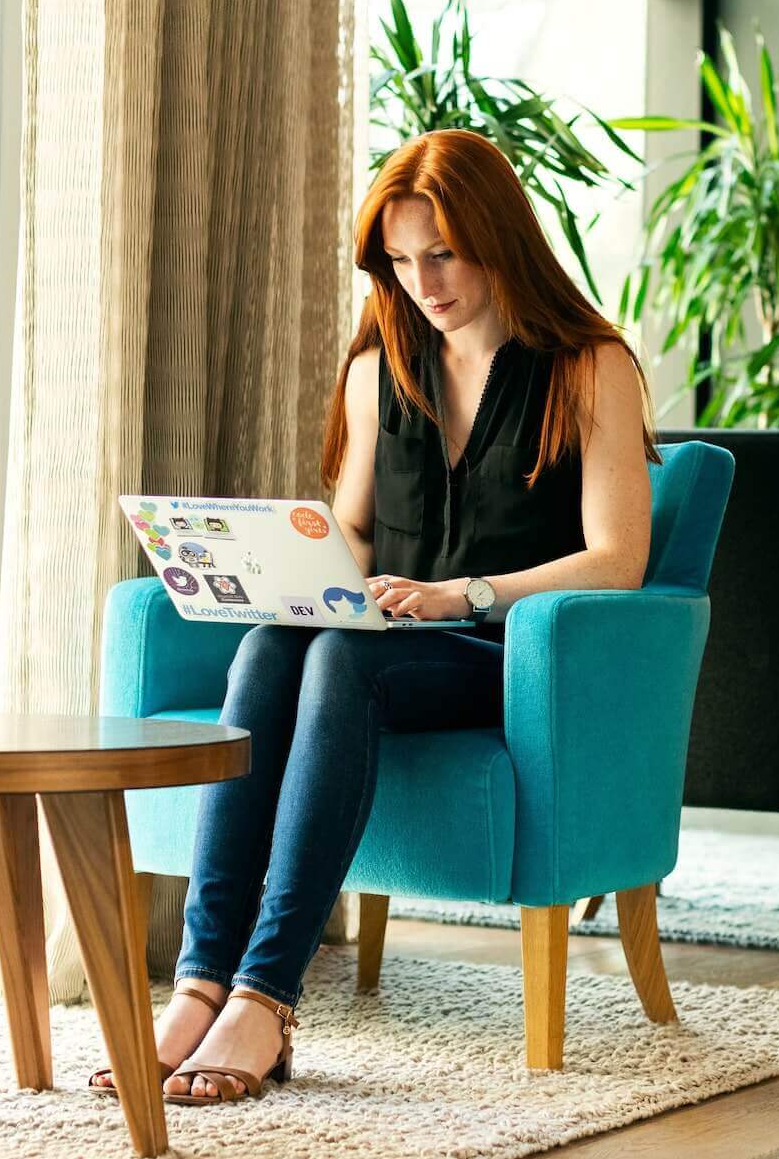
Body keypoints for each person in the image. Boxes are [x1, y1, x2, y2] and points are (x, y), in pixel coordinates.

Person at [90, 128, 661, 1105]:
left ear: (496, 238)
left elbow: (618, 558)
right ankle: (199, 982)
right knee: (276, 644)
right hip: (388, 637)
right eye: (399, 261)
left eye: (439, 253)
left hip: (503, 651)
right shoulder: (378, 367)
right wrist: (277, 563)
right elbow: (354, 532)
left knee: (340, 668)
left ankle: (265, 999)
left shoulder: (585, 365)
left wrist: (464, 596)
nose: (421, 282)